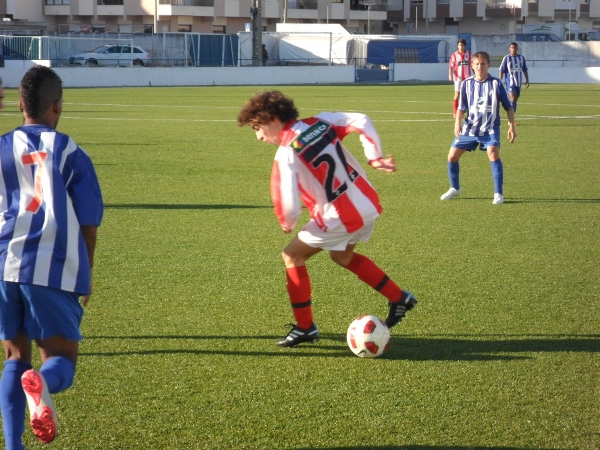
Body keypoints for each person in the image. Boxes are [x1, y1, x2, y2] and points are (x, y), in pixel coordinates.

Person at [238, 90, 416, 347]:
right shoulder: (321, 122)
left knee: (292, 256)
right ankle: (399, 298)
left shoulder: (287, 152)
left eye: (258, 128)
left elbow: (286, 201)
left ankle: (305, 327)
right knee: (342, 256)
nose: (259, 136)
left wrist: (287, 222)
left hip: (340, 217)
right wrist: (375, 158)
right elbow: (362, 120)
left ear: (273, 119)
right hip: (367, 203)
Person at [0, 65, 103, 448]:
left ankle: (13, 445)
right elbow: (89, 221)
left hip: (4, 263)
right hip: (52, 267)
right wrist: (86, 271)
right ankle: (42, 383)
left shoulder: (1, 146)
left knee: (14, 356)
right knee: (61, 360)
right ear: (56, 106)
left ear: (21, 105)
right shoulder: (70, 151)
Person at [440, 51, 516, 205]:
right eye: (477, 64)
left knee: (493, 153)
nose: (480, 67)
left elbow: (508, 107)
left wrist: (511, 126)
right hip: (470, 128)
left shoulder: (496, 84)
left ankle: (498, 193)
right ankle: (455, 188)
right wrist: (457, 124)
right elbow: (461, 108)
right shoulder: (466, 84)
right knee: (452, 157)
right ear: (472, 66)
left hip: (490, 128)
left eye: (483, 64)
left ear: (488, 65)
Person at [499, 42, 530, 113]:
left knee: (514, 100)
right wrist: (499, 81)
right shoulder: (506, 58)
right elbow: (501, 70)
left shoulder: (521, 58)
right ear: (509, 49)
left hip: (518, 82)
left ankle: (511, 113)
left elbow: (525, 70)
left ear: (517, 49)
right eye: (512, 48)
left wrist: (527, 80)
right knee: (513, 97)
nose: (513, 49)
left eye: (515, 48)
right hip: (509, 82)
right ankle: (511, 117)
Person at [448, 39, 473, 118]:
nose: (461, 47)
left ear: (464, 46)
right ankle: (455, 113)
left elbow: (473, 65)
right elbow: (451, 66)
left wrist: (475, 74)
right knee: (457, 94)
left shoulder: (469, 54)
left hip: (468, 78)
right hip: (458, 78)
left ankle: (469, 112)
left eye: (462, 45)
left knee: (469, 94)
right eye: (459, 45)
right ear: (457, 46)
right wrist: (450, 75)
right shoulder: (454, 55)